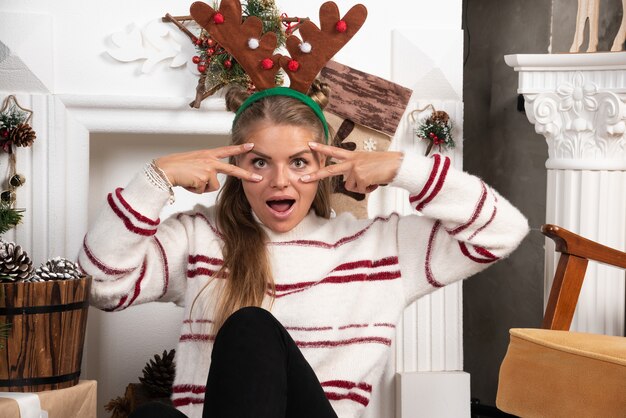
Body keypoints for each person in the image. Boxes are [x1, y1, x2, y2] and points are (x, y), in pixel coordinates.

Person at [79, 81, 529, 418]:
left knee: (251, 328)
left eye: (298, 162)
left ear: (324, 167)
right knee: (153, 415)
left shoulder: (379, 247)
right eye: (260, 162)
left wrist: (402, 169)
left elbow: (503, 231)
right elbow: (100, 285)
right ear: (236, 167)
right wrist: (156, 179)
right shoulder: (200, 236)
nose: (280, 181)